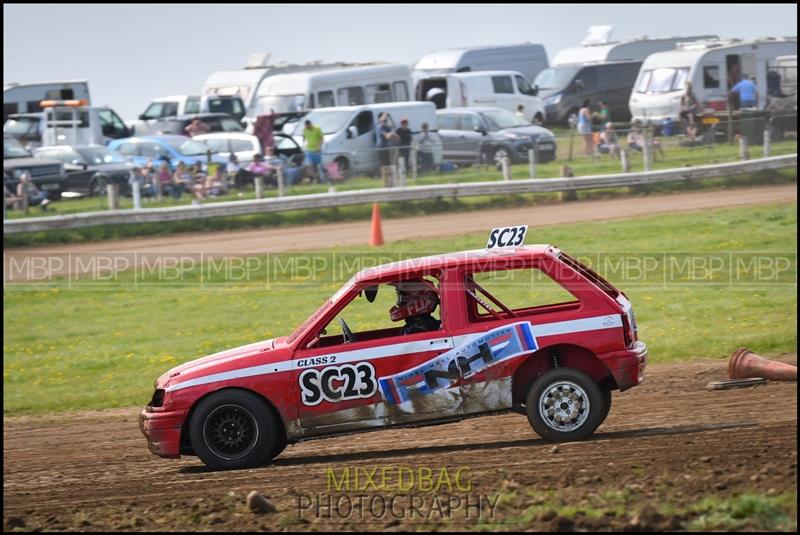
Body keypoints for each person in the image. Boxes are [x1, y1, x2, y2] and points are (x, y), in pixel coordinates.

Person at [376, 113, 397, 186]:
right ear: (380, 120)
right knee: (383, 164)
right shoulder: (380, 127)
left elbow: (394, 126)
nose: (384, 122)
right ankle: (385, 181)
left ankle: (389, 180)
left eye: (386, 121)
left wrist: (390, 117)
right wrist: (392, 133)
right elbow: (387, 136)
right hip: (381, 147)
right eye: (383, 120)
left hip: (386, 147)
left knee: (388, 164)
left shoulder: (386, 127)